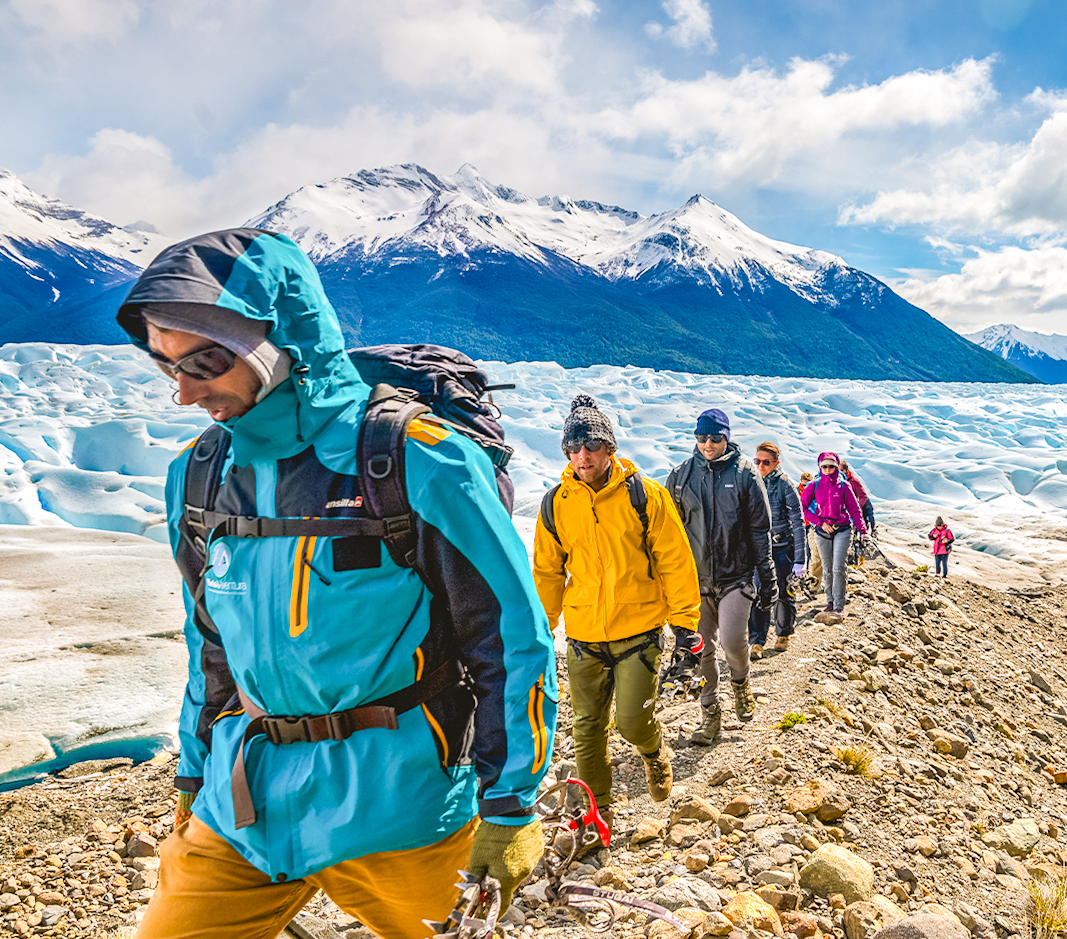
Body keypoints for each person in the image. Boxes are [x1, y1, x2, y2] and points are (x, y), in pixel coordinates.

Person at [117, 229, 556, 938]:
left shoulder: (416, 458)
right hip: (243, 814)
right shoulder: (198, 476)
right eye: (169, 367)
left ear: (278, 341)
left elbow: (507, 634)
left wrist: (509, 804)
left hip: (400, 810)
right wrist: (193, 778)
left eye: (204, 360)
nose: (185, 392)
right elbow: (214, 651)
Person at [533, 395, 701, 827]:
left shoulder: (645, 495)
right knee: (586, 729)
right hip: (584, 632)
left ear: (610, 447)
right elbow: (548, 573)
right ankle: (595, 816)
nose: (582, 456)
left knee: (631, 721)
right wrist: (538, 630)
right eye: (574, 448)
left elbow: (674, 560)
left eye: (591, 446)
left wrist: (685, 625)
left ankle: (652, 750)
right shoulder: (556, 503)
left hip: (638, 630)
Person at [666, 409, 776, 744]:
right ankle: (709, 714)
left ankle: (741, 683)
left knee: (731, 641)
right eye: (701, 438)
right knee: (702, 651)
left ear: (726, 436)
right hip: (695, 581)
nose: (708, 444)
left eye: (714, 437)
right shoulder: (681, 476)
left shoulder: (744, 475)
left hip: (735, 577)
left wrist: (767, 577)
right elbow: (668, 532)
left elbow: (760, 530)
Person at [748, 442, 806, 656]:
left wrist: (800, 559)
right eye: (757, 461)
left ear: (776, 463)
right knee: (757, 592)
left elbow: (798, 521)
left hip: (782, 547)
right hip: (759, 549)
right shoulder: (752, 482)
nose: (761, 465)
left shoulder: (785, 485)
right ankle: (757, 641)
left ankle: (783, 633)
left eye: (766, 462)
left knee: (783, 591)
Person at [801, 453, 866, 623]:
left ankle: (839, 605)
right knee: (827, 567)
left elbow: (855, 510)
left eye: (831, 467)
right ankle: (829, 602)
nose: (828, 470)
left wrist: (862, 529)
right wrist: (819, 522)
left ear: (836, 467)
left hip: (842, 529)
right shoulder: (814, 486)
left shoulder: (844, 486)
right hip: (822, 531)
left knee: (839, 567)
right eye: (824, 467)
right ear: (819, 467)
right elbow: (803, 507)